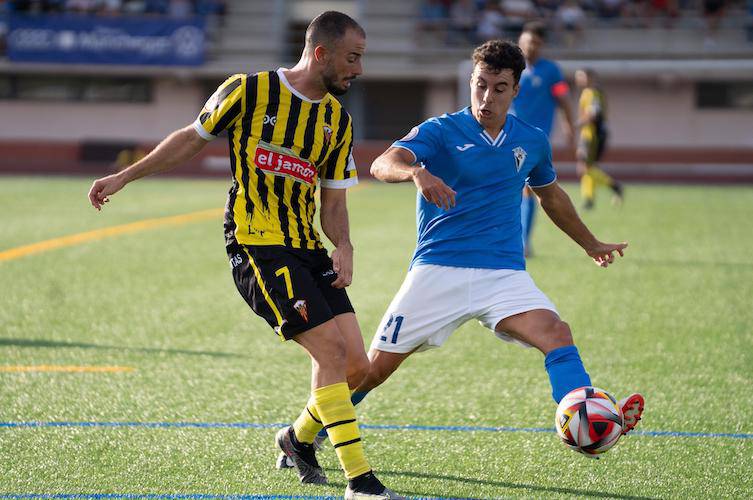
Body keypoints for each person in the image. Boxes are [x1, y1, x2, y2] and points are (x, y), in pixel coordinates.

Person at [87, 11, 403, 500]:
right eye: (352, 58)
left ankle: (295, 438)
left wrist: (343, 245)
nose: (358, 70)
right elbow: (191, 138)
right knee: (330, 351)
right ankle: (360, 480)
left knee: (358, 367)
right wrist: (126, 175)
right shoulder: (248, 90)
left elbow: (333, 200)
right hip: (257, 243)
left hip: (308, 248)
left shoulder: (337, 120)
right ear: (321, 53)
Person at [283, 39, 644, 466]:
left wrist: (591, 243)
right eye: (480, 85)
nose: (486, 97)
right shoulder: (440, 131)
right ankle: (300, 436)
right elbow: (382, 163)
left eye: (498, 88)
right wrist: (416, 172)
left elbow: (552, 197)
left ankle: (588, 415)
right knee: (369, 372)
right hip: (438, 271)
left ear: (515, 91)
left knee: (557, 335)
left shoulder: (531, 140)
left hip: (504, 275)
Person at [511, 21, 576, 256]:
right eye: (528, 42)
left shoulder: (551, 71)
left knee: (529, 188)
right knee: (509, 187)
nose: (531, 48)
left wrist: (569, 127)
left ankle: (523, 242)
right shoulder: (511, 69)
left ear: (542, 45)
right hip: (506, 136)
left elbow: (564, 100)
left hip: (534, 139)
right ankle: (513, 241)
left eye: (536, 43)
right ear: (520, 42)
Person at [574, 68, 623, 209]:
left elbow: (593, 114)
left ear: (590, 78)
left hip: (592, 135)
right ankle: (588, 199)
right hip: (589, 134)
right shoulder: (588, 92)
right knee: (587, 167)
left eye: (581, 76)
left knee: (586, 167)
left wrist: (576, 124)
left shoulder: (592, 93)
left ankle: (614, 186)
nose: (578, 79)